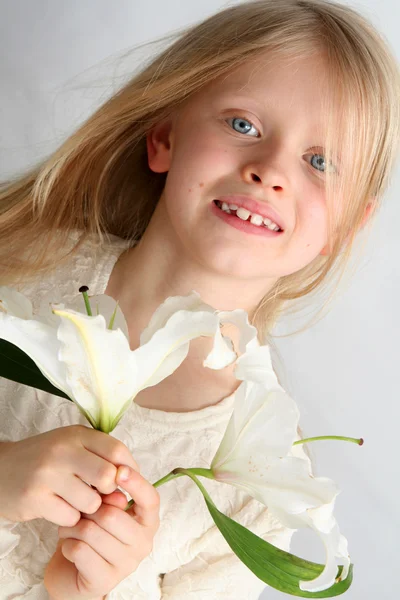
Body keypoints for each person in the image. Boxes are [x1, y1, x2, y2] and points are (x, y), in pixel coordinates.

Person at [0, 0, 399, 598]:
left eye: (319, 162)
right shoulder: (21, 268)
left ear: (342, 228)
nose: (269, 171)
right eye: (243, 125)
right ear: (165, 137)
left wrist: (87, 593)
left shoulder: (259, 497)